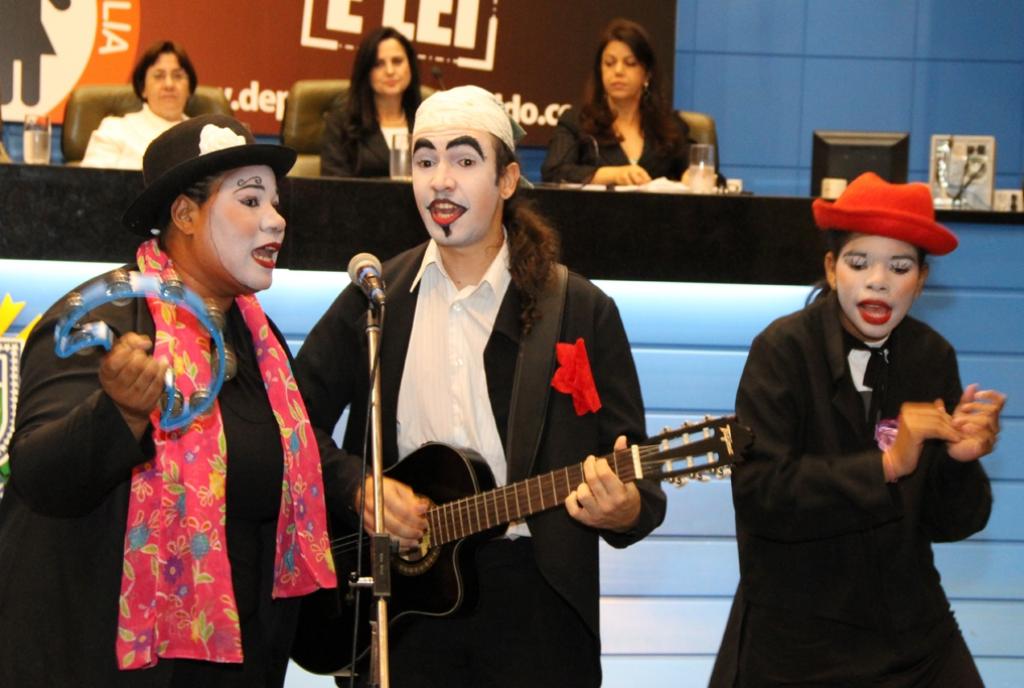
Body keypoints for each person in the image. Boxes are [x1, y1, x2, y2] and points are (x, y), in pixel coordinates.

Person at [295, 85, 666, 687]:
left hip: (535, 603)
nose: (441, 181)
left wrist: (626, 510)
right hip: (403, 597)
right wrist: (357, 487)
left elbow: (639, 480)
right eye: (425, 161)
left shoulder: (578, 308)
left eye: (465, 160)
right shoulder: (377, 297)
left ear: (508, 179)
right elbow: (289, 420)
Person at [0, 114, 337, 686]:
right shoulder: (98, 321)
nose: (275, 220)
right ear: (184, 215)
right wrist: (120, 414)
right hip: (108, 664)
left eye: (275, 203)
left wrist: (357, 487)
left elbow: (285, 454)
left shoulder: (262, 342)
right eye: (250, 201)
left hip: (239, 662)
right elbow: (39, 477)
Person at [710, 172, 1006, 687]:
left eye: (900, 267)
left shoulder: (931, 356)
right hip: (798, 636)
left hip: (911, 631)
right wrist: (886, 465)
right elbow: (760, 494)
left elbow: (953, 523)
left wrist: (961, 463)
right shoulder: (782, 350)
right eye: (859, 262)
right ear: (831, 268)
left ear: (922, 280)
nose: (878, 281)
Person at [541, 18, 693, 186]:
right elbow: (553, 171)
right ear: (600, 70)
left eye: (630, 63)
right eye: (609, 63)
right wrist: (612, 175)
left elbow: (701, 168)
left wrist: (693, 175)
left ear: (647, 74)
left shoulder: (670, 127)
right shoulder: (577, 121)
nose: (618, 71)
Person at [320, 27, 422, 178]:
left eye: (397, 61)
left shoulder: (427, 120)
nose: (390, 71)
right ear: (366, 71)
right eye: (378, 64)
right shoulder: (341, 123)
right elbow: (333, 185)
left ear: (410, 66)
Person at [81, 40, 197, 169]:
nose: (169, 84)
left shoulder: (206, 135)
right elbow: (92, 180)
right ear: (143, 89)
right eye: (158, 76)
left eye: (178, 76)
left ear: (190, 88)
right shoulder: (115, 129)